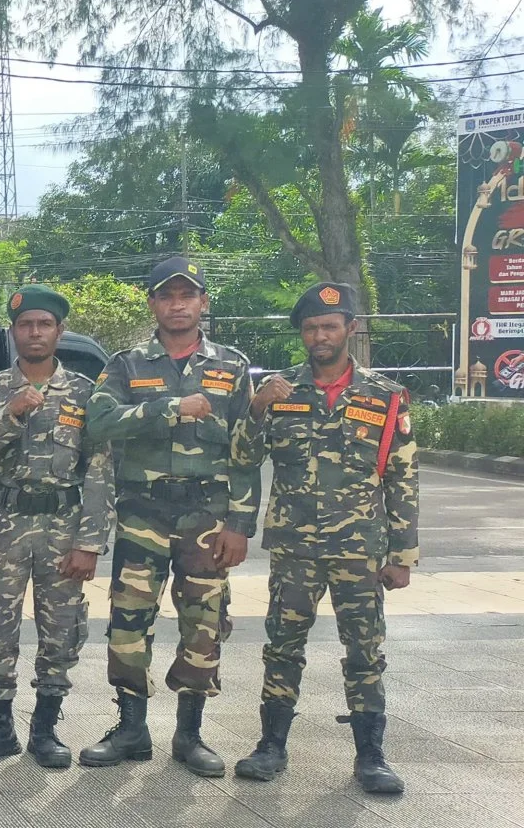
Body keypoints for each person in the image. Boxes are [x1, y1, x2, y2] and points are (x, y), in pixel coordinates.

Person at [230, 283, 417, 795]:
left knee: (365, 650)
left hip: (360, 549)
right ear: (302, 334)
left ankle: (371, 756)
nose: (320, 335)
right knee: (282, 646)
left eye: (330, 326)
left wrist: (401, 555)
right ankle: (271, 745)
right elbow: (242, 459)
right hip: (295, 549)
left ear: (349, 329)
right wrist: (256, 407)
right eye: (311, 328)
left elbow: (402, 478)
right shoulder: (279, 389)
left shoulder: (384, 396)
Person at [80, 256, 257, 777]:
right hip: (143, 511)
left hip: (207, 514)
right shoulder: (128, 364)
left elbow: (247, 449)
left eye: (187, 294)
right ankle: (131, 727)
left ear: (203, 301)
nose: (177, 303)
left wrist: (241, 523)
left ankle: (190, 735)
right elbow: (99, 422)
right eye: (166, 295)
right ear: (153, 302)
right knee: (128, 620)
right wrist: (171, 407)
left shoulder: (232, 366)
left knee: (204, 622)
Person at [0, 286, 114, 768]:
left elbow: (100, 472)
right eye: (26, 325)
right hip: (4, 520)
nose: (35, 332)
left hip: (64, 525)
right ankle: (0, 727)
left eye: (45, 324)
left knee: (61, 627)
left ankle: (45, 728)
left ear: (60, 331)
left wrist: (89, 543)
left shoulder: (87, 394)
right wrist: (9, 413)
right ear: (14, 332)